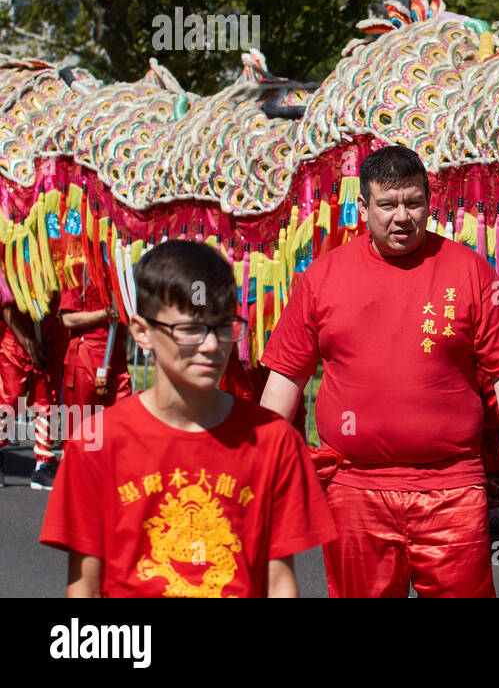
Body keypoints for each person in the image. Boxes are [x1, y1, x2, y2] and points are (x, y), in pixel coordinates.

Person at [260, 145, 499, 598]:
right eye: (388, 205)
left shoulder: (471, 271)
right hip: (354, 488)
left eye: (413, 202)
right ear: (364, 208)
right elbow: (286, 378)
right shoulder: (322, 276)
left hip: (452, 488)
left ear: (430, 202)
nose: (402, 216)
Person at [40, 240, 334, 597]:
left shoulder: (273, 440)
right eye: (190, 329)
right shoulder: (96, 442)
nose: (211, 346)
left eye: (223, 326)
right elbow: (84, 583)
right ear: (142, 332)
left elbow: (280, 581)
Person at [0, 296, 66, 489]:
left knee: (48, 399)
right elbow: (5, 301)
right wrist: (26, 341)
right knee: (11, 397)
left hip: (50, 333)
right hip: (16, 335)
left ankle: (43, 464)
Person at [59, 264, 131, 409]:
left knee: (121, 417)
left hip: (116, 356)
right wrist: (105, 314)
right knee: (84, 426)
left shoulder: (123, 270)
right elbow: (68, 319)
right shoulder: (76, 270)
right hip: (86, 359)